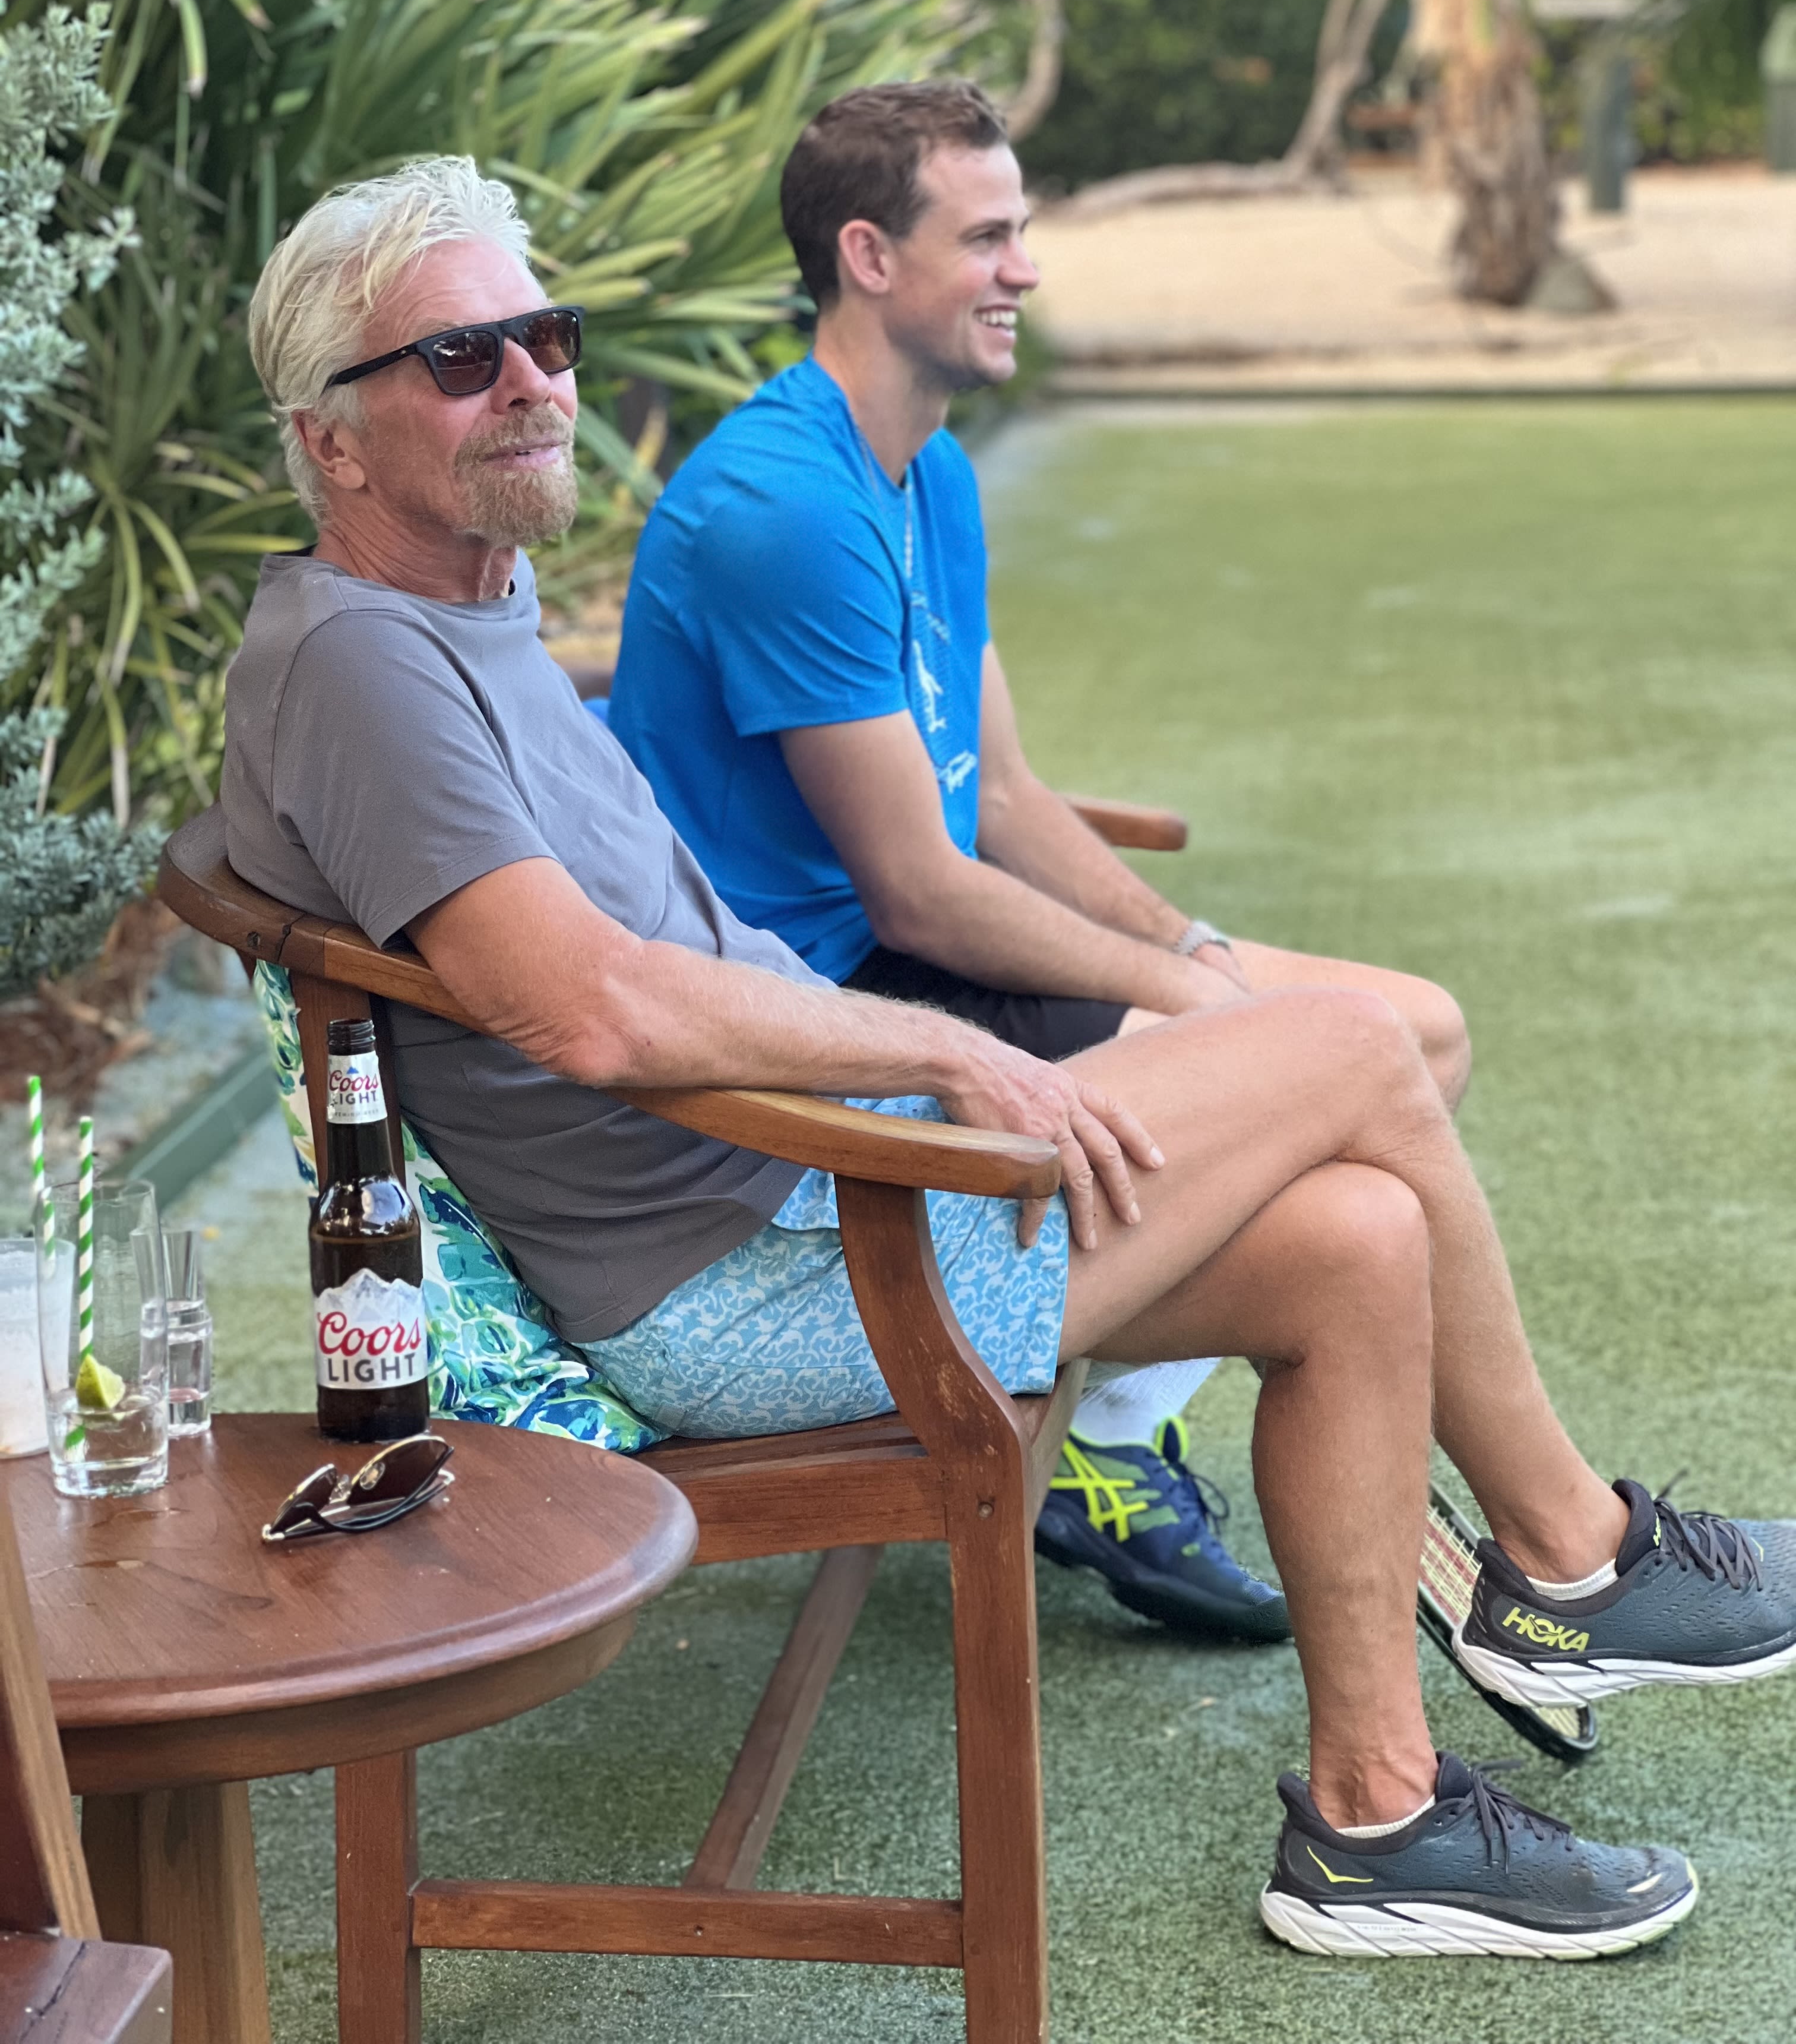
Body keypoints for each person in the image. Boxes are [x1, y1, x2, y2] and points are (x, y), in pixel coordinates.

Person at [224, 154, 1796, 1959]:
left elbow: (751, 924)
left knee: (1363, 1238)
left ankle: (1377, 1820)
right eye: (462, 358)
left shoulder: (462, 618)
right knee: (1359, 1048)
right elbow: (593, 1006)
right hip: (752, 1275)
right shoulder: (357, 666)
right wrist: (949, 1061)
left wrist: (931, 1064)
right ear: (331, 436)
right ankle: (1571, 1566)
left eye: (547, 338)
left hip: (813, 1183)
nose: (532, 384)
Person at [608, 81, 1465, 1644]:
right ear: (869, 255)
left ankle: (1113, 1436)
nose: (1026, 268)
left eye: (1025, 230)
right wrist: (1184, 998)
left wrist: (1186, 943)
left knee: (1424, 1029)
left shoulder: (924, 471)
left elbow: (995, 790)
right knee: (1329, 1077)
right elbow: (916, 890)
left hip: (932, 953)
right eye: (988, 235)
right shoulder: (783, 507)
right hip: (838, 1009)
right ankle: (1142, 1448)